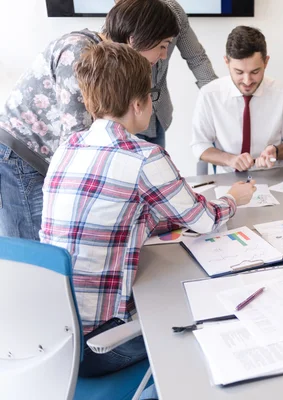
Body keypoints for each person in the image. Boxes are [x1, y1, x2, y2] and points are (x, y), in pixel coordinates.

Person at [39, 41, 256, 377]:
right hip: (98, 346)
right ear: (139, 104)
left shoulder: (68, 146)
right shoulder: (144, 158)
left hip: (52, 336)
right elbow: (206, 221)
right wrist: (234, 198)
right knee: (204, 326)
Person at [0, 0, 179, 240]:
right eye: (162, 45)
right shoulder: (80, 51)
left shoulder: (110, 60)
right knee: (39, 256)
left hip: (46, 156)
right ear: (135, 39)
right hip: (24, 156)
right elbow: (79, 142)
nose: (163, 54)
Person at [191, 26, 283, 174]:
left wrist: (276, 151)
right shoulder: (209, 95)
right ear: (227, 62)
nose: (247, 81)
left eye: (255, 72)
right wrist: (230, 159)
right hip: (228, 178)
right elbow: (199, 145)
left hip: (274, 175)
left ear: (266, 62)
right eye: (239, 72)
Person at [135, 0, 219, 148]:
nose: (163, 55)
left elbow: (197, 58)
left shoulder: (174, 12)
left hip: (157, 115)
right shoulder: (120, 22)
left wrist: (217, 102)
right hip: (125, 118)